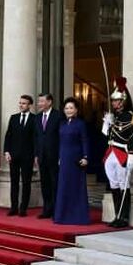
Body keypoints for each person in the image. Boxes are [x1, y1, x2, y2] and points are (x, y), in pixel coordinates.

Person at [102, 77, 133, 228]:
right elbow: (106, 135)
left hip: (122, 153)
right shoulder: (115, 116)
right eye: (113, 101)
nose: (114, 103)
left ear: (123, 101)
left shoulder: (132, 117)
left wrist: (132, 154)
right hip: (111, 152)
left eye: (117, 101)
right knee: (114, 184)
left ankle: (124, 217)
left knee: (124, 185)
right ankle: (117, 214)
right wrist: (107, 122)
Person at [54, 96, 91, 225]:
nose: (69, 110)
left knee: (76, 186)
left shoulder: (80, 123)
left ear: (76, 110)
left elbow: (85, 140)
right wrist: (59, 157)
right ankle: (62, 216)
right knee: (64, 186)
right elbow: (60, 142)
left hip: (76, 158)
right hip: (64, 157)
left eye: (71, 108)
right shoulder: (62, 124)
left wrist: (86, 157)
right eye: (66, 108)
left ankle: (77, 216)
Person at [4, 94, 38, 216]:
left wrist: (35, 155)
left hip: (27, 156)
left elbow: (35, 138)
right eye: (20, 103)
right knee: (14, 182)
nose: (21, 105)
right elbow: (8, 136)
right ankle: (13, 207)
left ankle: (23, 208)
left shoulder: (35, 119)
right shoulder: (13, 118)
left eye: (24, 103)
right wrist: (7, 151)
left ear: (29, 105)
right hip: (14, 155)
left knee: (26, 182)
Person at [35, 93, 62, 219]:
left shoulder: (58, 116)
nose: (39, 104)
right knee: (44, 183)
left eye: (42, 101)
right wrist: (36, 154)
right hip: (41, 155)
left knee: (55, 182)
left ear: (49, 102)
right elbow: (36, 137)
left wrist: (61, 155)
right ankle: (47, 209)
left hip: (54, 155)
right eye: (39, 101)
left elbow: (61, 137)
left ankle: (56, 209)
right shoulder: (38, 117)